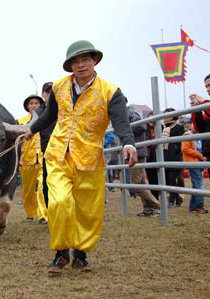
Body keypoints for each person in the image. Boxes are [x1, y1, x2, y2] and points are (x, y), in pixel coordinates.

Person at [25, 40, 137, 274]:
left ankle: (81, 255)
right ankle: (61, 253)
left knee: (86, 210)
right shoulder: (59, 87)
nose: (81, 65)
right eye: (75, 61)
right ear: (69, 66)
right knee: (58, 203)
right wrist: (32, 129)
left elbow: (120, 121)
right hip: (57, 154)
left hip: (88, 157)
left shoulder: (110, 91)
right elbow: (49, 116)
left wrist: (128, 142)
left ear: (94, 61)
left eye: (85, 59)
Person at [127, 103, 161, 217]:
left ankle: (156, 205)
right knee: (141, 183)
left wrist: (124, 130)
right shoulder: (125, 114)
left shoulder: (131, 113)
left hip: (138, 152)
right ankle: (148, 209)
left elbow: (141, 127)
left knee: (135, 184)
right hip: (134, 152)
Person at [18, 95, 47, 223]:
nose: (34, 105)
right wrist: (18, 158)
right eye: (31, 103)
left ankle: (43, 215)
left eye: (36, 103)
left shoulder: (47, 119)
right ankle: (30, 213)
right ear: (27, 106)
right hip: (26, 159)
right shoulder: (20, 121)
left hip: (43, 157)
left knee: (43, 186)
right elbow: (16, 142)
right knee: (28, 190)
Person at [34, 82, 56, 213]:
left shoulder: (65, 107)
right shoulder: (38, 112)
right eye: (48, 92)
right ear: (43, 94)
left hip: (67, 153)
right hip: (48, 154)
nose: (51, 94)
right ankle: (51, 214)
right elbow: (32, 127)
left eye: (53, 91)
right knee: (47, 185)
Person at [190, 73, 210, 188]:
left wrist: (203, 103)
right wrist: (196, 109)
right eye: (206, 87)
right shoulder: (207, 108)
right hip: (209, 151)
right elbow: (199, 129)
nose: (208, 89)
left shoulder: (208, 106)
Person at [181, 120, 209, 213]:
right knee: (199, 185)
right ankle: (198, 206)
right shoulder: (187, 135)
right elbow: (185, 149)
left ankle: (193, 206)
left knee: (196, 184)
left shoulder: (199, 135)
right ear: (190, 125)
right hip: (193, 162)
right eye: (194, 124)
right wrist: (200, 155)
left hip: (198, 162)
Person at [162, 108, 185, 208]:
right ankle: (177, 199)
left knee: (173, 178)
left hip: (174, 156)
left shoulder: (179, 127)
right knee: (168, 179)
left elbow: (180, 142)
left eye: (167, 115)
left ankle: (172, 200)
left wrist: (175, 149)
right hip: (165, 155)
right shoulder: (163, 127)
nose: (165, 117)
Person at [145, 111, 159, 199]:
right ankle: (154, 196)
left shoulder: (160, 128)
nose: (151, 121)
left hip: (158, 156)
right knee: (151, 177)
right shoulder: (145, 129)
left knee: (159, 176)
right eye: (150, 119)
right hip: (149, 156)